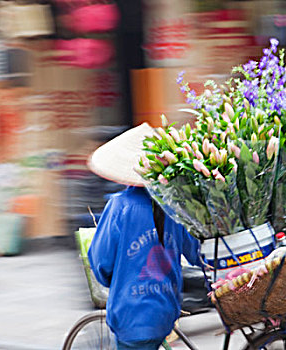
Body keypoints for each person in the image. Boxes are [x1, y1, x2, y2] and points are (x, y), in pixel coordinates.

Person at [86, 123, 202, 350]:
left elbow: (101, 263)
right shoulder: (175, 207)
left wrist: (114, 278)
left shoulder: (120, 206)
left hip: (131, 315)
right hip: (166, 311)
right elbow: (195, 252)